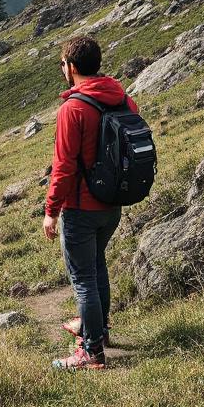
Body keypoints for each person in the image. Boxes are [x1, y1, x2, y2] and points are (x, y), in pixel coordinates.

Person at [43, 35, 136, 371]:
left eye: (62, 64)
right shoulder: (122, 99)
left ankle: (91, 351)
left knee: (83, 279)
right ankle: (100, 330)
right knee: (97, 266)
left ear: (71, 67)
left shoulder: (73, 109)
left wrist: (51, 211)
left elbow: (64, 167)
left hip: (81, 208)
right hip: (112, 204)